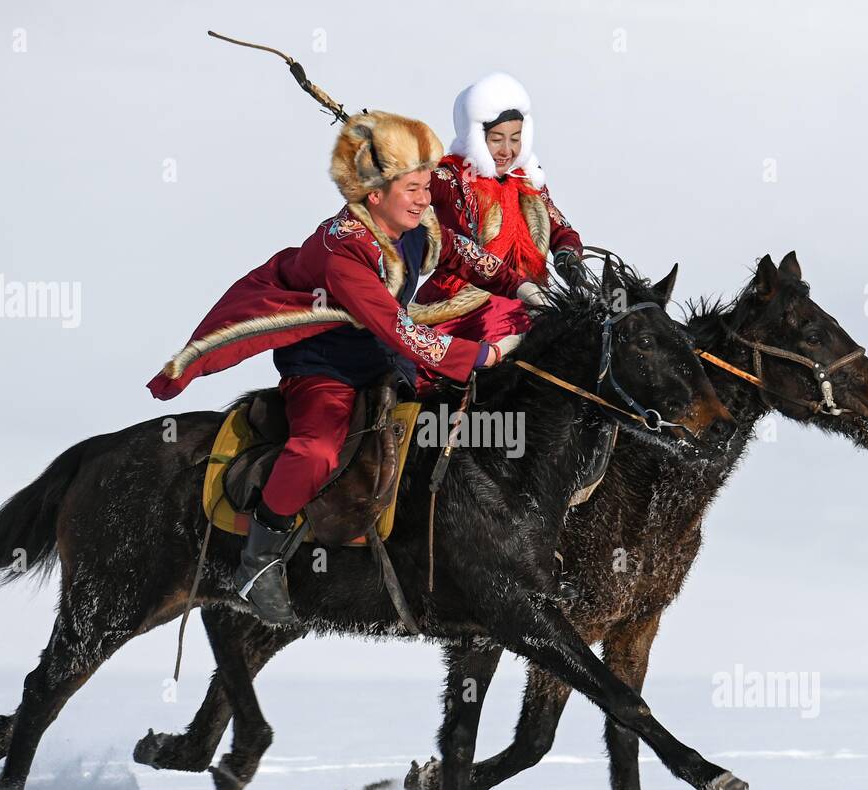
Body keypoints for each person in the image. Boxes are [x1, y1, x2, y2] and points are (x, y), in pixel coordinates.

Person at [146, 111, 543, 624]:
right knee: (317, 451)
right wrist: (487, 354)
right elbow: (398, 328)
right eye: (414, 189)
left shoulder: (416, 224)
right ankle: (258, 560)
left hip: (381, 361)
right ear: (374, 195)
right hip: (325, 368)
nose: (426, 200)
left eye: (426, 187)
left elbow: (466, 257)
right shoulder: (343, 250)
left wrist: (522, 285)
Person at [410, 72, 585, 393]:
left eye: (515, 138)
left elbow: (561, 228)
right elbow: (417, 184)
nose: (506, 150)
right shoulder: (452, 178)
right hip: (469, 296)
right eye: (496, 139)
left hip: (531, 295)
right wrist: (397, 161)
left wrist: (567, 256)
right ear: (477, 137)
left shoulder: (529, 182)